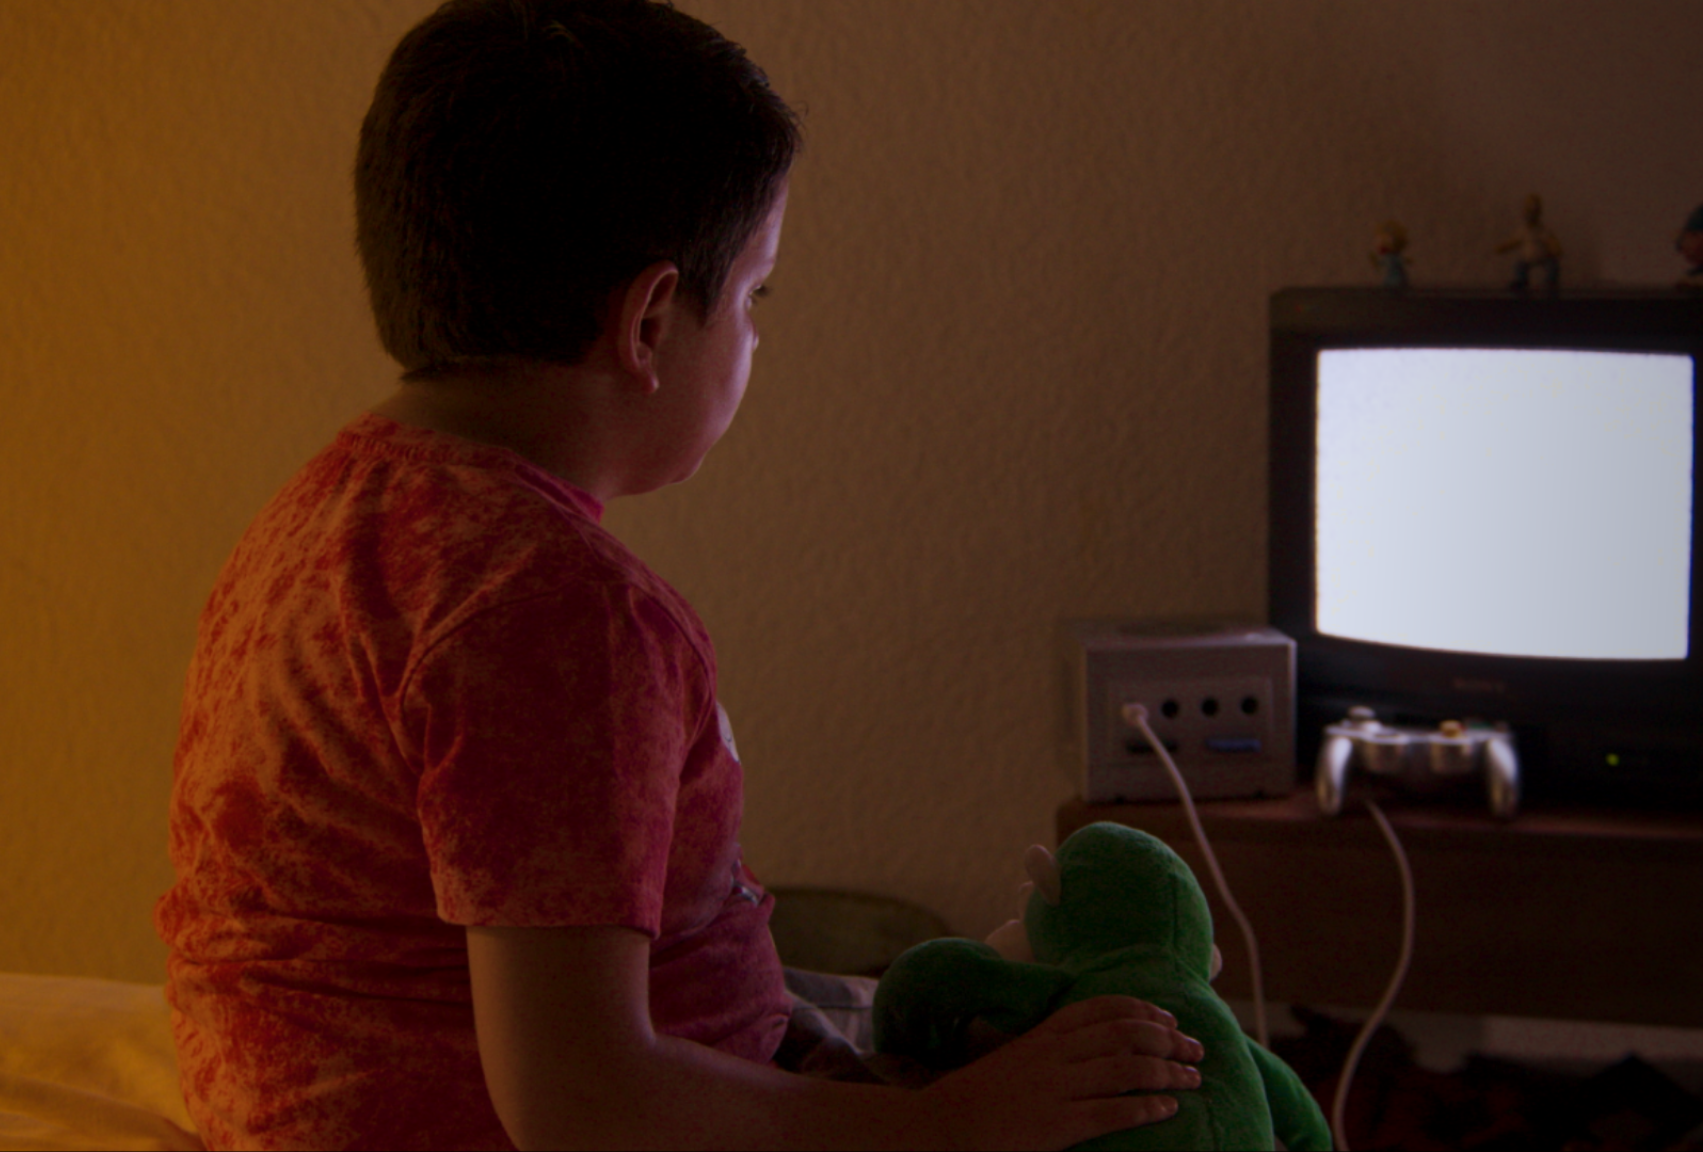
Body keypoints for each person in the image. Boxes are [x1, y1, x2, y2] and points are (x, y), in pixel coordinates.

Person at [153, 2, 1202, 1148]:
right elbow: (579, 1099)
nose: (756, 333)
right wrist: (950, 1127)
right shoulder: (551, 608)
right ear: (651, 319)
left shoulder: (322, 515)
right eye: (754, 295)